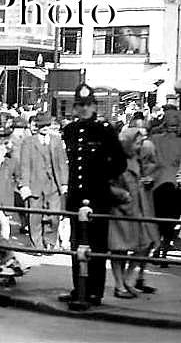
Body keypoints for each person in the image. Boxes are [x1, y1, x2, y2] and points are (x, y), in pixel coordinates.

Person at [59, 84, 128, 308]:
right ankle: (78, 287)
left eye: (88, 105)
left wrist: (102, 179)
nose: (84, 109)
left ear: (95, 106)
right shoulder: (70, 130)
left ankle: (94, 292)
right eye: (80, 105)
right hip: (77, 198)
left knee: (97, 246)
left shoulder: (105, 129)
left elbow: (120, 163)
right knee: (76, 244)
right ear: (75, 107)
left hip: (98, 198)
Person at [108, 127, 160, 298]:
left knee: (145, 243)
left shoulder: (136, 159)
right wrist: (121, 194)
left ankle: (127, 279)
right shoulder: (116, 160)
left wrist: (148, 179)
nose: (139, 146)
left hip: (138, 208)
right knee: (119, 249)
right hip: (120, 210)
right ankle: (119, 285)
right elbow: (107, 184)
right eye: (137, 143)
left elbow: (152, 168)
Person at [15, 114, 68, 250]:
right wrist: (25, 185)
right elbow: (25, 165)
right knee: (35, 217)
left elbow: (62, 163)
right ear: (37, 126)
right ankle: (36, 245)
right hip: (35, 184)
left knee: (54, 216)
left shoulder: (56, 141)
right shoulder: (29, 142)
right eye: (42, 126)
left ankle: (49, 242)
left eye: (47, 125)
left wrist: (64, 183)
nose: (45, 128)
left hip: (53, 185)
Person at [149, 106, 181, 261]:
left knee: (156, 218)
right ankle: (164, 249)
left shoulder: (155, 139)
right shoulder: (180, 143)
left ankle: (156, 246)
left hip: (157, 183)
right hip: (173, 184)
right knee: (171, 220)